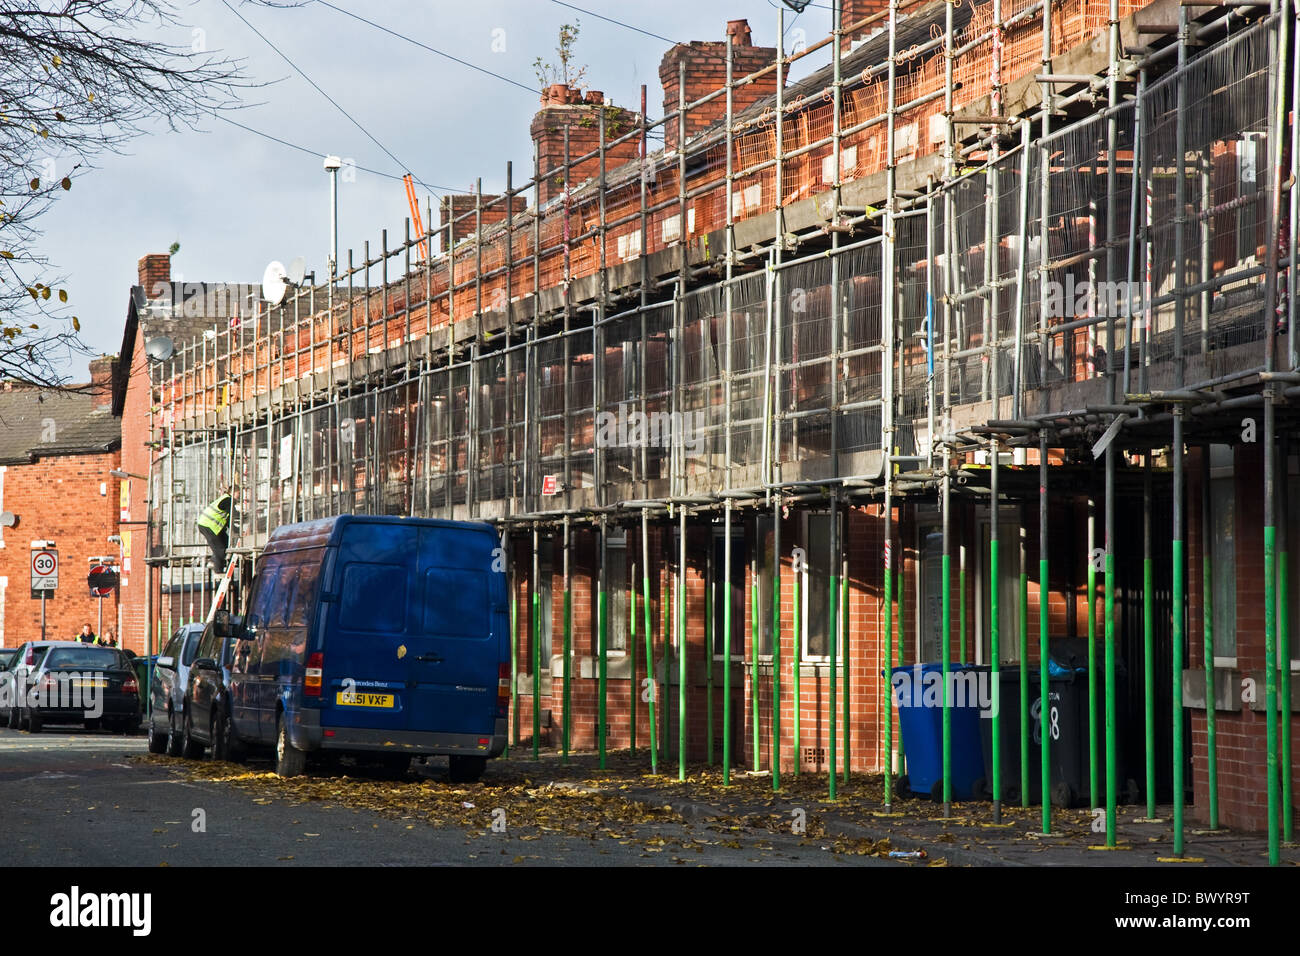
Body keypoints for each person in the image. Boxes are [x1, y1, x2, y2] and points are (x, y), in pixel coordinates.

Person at [197, 482, 236, 574]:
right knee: (220, 547)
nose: (239, 496)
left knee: (226, 542)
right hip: (208, 525)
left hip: (211, 526)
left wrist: (236, 530)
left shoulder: (225, 499)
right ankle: (217, 569)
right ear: (234, 492)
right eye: (238, 494)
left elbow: (228, 520)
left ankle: (214, 560)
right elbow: (233, 516)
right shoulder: (228, 500)